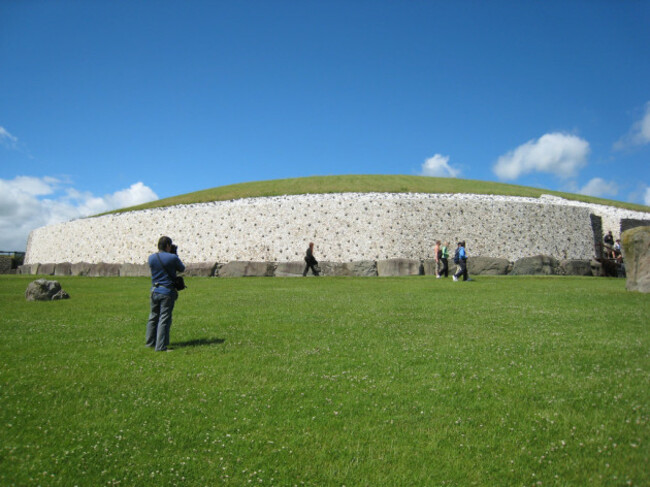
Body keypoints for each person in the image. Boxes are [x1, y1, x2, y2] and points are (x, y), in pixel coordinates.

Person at [146, 236, 185, 351]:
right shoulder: (172, 257)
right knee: (164, 318)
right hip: (167, 291)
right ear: (168, 245)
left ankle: (150, 343)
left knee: (153, 317)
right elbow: (181, 268)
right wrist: (175, 255)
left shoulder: (151, 257)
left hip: (154, 290)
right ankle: (161, 346)